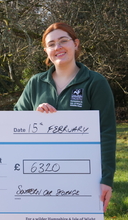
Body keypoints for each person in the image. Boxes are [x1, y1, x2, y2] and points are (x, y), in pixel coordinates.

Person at [14, 22, 116, 212]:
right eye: (51, 44)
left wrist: (107, 179)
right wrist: (33, 117)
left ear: (75, 44)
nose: (57, 47)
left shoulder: (95, 82)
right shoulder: (35, 83)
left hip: (81, 177)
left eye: (63, 41)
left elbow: (107, 133)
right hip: (37, 175)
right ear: (46, 51)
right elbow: (14, 123)